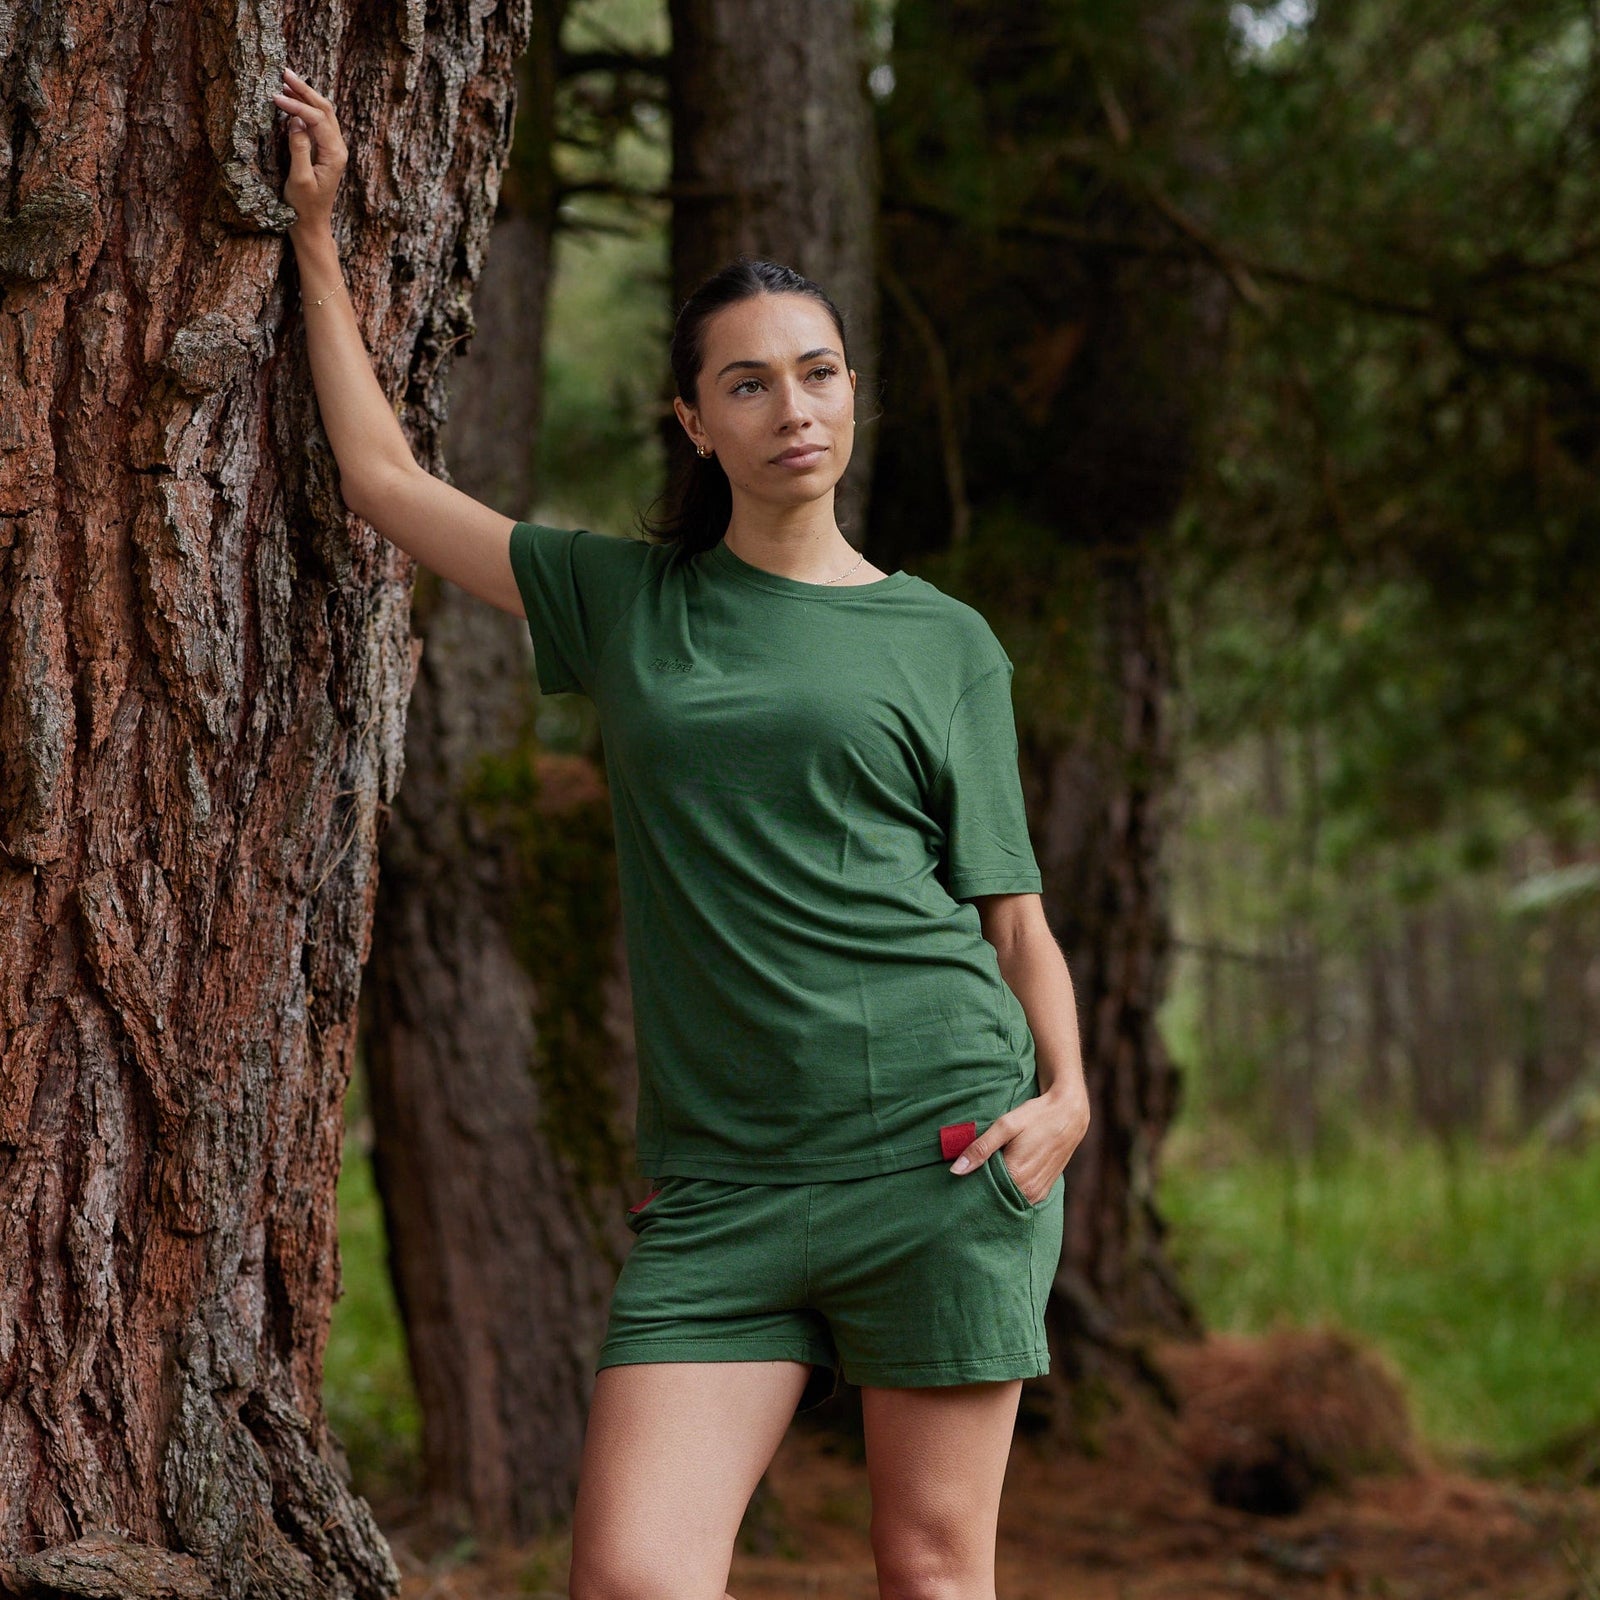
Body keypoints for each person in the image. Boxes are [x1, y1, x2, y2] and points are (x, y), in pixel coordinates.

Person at [273, 64, 1092, 1600]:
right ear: (695, 422)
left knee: (932, 1571)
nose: (794, 408)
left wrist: (1069, 1095)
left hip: (938, 1152)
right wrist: (315, 238)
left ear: (852, 392)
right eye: (750, 383)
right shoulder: (627, 605)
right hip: (722, 1191)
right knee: (636, 1577)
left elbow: (1011, 916)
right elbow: (384, 483)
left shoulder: (944, 641)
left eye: (819, 372)